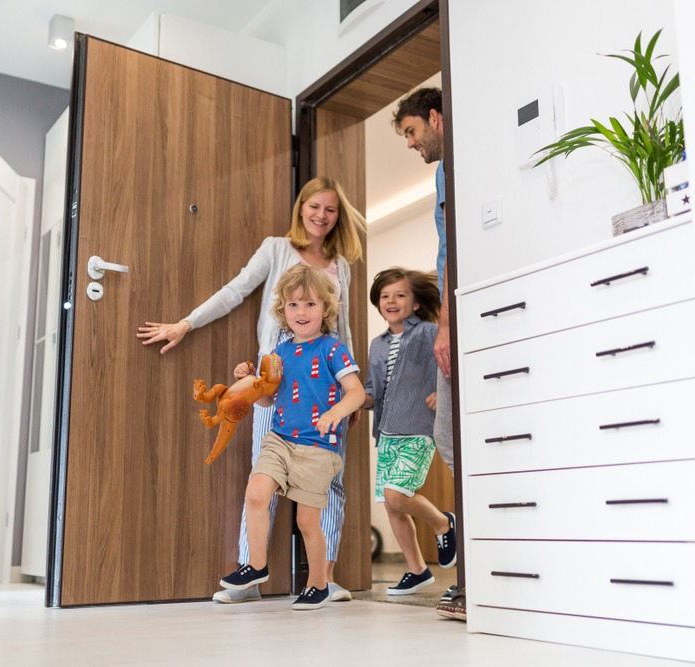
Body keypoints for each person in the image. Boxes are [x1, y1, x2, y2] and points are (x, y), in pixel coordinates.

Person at [136, 177, 366, 603]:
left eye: (330, 210)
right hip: (274, 383)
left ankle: (324, 578)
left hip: (329, 389)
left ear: (338, 217)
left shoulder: (342, 265)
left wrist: (352, 392)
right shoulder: (276, 248)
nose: (321, 215)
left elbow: (345, 327)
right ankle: (251, 576)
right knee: (263, 478)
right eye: (315, 206)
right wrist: (186, 323)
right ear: (301, 207)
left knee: (328, 484)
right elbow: (236, 291)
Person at [218, 264, 365, 610]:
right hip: (280, 439)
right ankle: (255, 566)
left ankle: (317, 584)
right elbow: (268, 398)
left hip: (317, 447)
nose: (302, 312)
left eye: (310, 304)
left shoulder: (332, 349)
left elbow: (356, 392)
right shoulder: (279, 352)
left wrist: (336, 412)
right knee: (256, 493)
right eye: (294, 305)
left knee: (306, 521)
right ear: (282, 310)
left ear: (325, 309)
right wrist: (252, 380)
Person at [392, 86, 465, 620]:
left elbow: (452, 249)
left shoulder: (454, 164)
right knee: (454, 439)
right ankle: (476, 573)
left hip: (459, 314)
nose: (413, 145)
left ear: (435, 118)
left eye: (413, 133)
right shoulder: (449, 168)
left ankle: (474, 575)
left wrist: (444, 326)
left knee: (455, 440)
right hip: (458, 310)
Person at [362, 268, 457, 596]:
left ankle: (443, 523)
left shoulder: (430, 332)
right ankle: (417, 570)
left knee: (397, 495)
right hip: (386, 431)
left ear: (416, 303)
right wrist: (351, 400)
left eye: (400, 295)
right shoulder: (377, 344)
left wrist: (440, 392)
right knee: (393, 505)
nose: (391, 301)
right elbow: (373, 390)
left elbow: (449, 363)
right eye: (385, 295)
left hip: (418, 428)